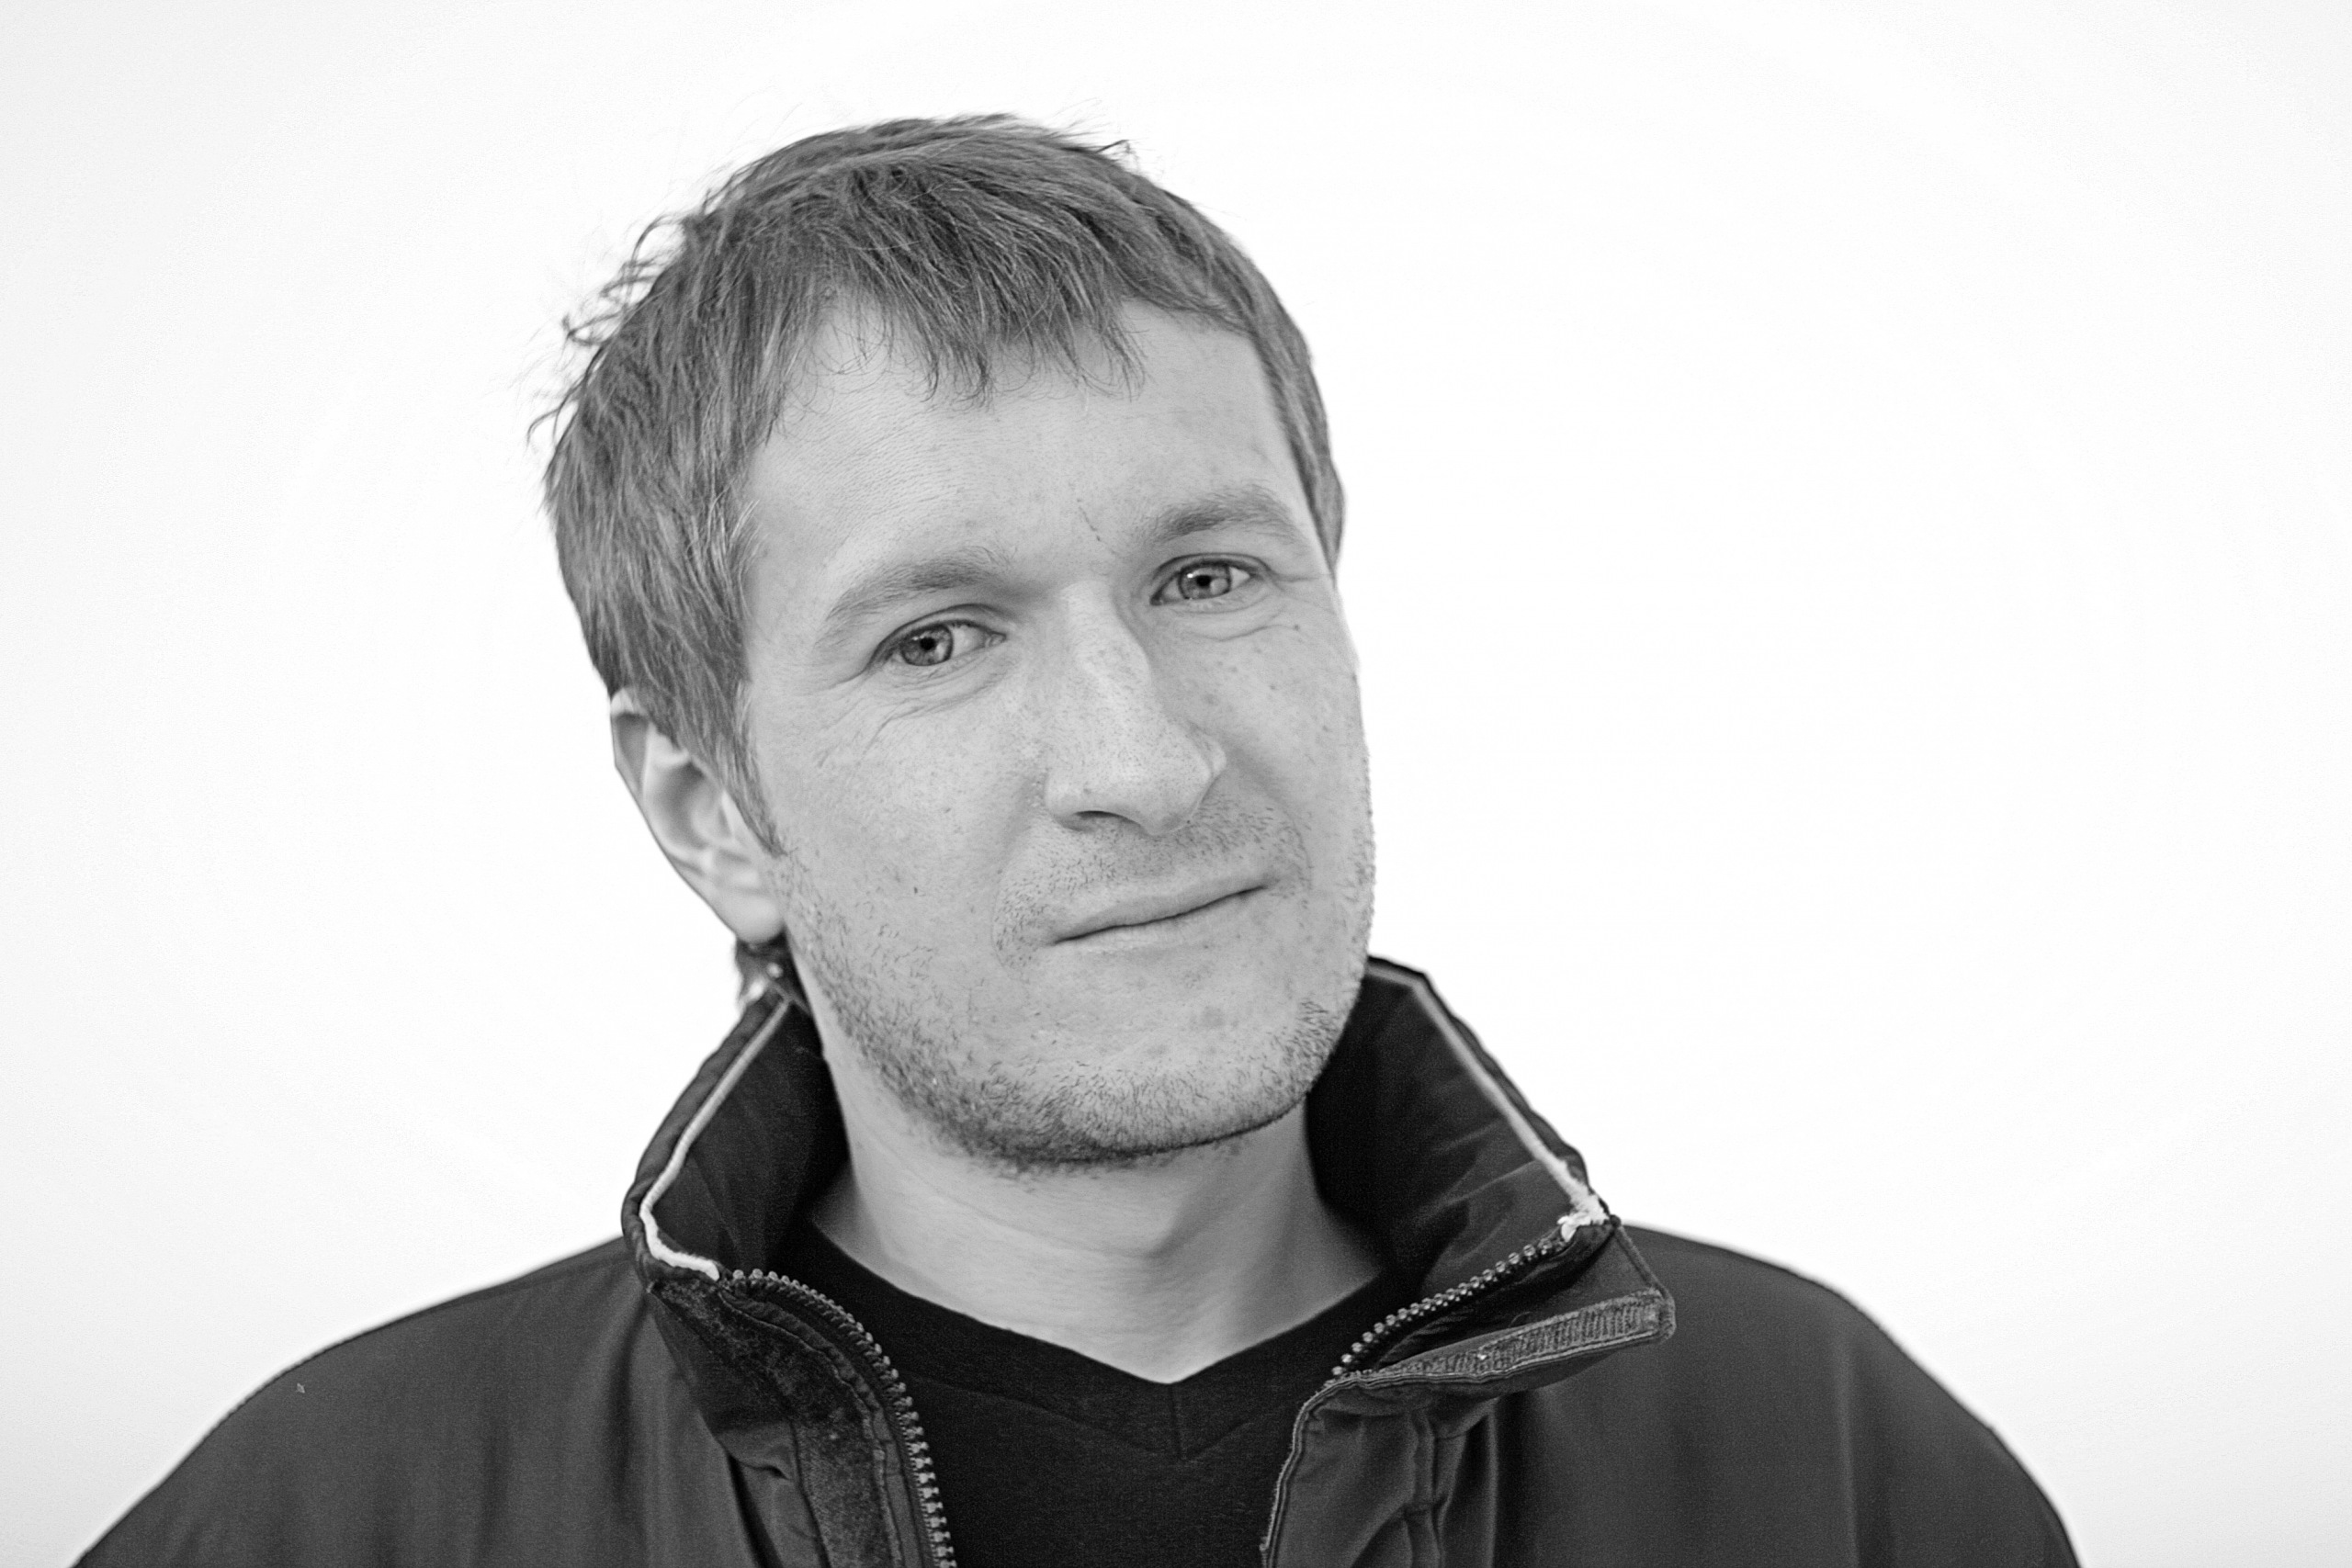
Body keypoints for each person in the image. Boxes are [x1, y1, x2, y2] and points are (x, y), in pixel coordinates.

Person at [81, 115, 2075, 1568]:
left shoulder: (1832, 1469)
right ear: (711, 812)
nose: (1146, 761)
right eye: (936, 638)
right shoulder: (334, 1520)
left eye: (1209, 577)